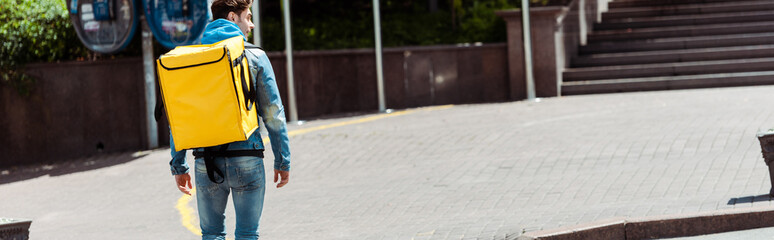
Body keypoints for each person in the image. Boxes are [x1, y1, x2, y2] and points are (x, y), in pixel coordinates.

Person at [169, 0, 291, 239]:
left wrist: (178, 164)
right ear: (233, 17)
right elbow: (273, 114)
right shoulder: (255, 56)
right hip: (247, 157)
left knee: (211, 234)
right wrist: (282, 160)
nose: (252, 24)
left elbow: (180, 115)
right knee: (247, 234)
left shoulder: (194, 57)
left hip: (206, 161)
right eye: (248, 17)